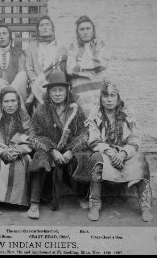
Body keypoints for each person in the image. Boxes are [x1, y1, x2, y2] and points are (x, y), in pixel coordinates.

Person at [27, 70, 101, 220]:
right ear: (48, 92)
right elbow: (34, 136)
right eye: (54, 90)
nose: (58, 94)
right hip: (50, 150)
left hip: (69, 150)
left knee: (84, 157)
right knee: (39, 158)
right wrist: (52, 150)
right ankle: (34, 203)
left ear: (67, 91)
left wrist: (71, 151)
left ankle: (81, 195)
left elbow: (84, 133)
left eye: (61, 90)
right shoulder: (41, 110)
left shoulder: (76, 109)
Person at [86, 78, 153, 222]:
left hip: (124, 153)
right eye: (105, 96)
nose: (109, 100)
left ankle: (145, 206)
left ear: (118, 97)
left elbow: (134, 139)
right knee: (96, 161)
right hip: (105, 153)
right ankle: (95, 204)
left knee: (141, 159)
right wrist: (110, 152)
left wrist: (122, 153)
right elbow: (93, 140)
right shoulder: (95, 113)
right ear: (101, 98)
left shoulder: (127, 113)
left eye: (113, 96)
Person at [0, 86, 32, 209]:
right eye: (6, 101)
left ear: (18, 102)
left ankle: (19, 200)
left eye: (13, 101)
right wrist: (3, 152)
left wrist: (17, 150)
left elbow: (29, 140)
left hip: (18, 151)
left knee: (26, 161)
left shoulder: (24, 117)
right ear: (1, 103)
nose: (10, 105)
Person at [66, 15, 110, 118]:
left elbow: (102, 63)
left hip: (97, 89)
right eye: (82, 29)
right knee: (83, 120)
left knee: (99, 118)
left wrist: (80, 64)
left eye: (88, 28)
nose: (85, 32)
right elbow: (70, 68)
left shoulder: (100, 45)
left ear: (93, 30)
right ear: (77, 32)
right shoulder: (73, 46)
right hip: (80, 92)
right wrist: (86, 73)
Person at [25, 16, 68, 107]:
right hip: (37, 86)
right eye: (41, 25)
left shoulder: (60, 47)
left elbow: (62, 69)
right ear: (38, 30)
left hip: (54, 85)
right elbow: (29, 68)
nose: (45, 27)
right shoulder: (31, 47)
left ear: (52, 29)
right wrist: (36, 82)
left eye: (47, 25)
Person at [0, 25, 29, 110]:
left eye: (4, 33)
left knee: (22, 75)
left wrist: (10, 90)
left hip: (17, 93)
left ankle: (15, 107)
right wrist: (2, 85)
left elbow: (22, 74)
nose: (1, 37)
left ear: (10, 36)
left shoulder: (19, 53)